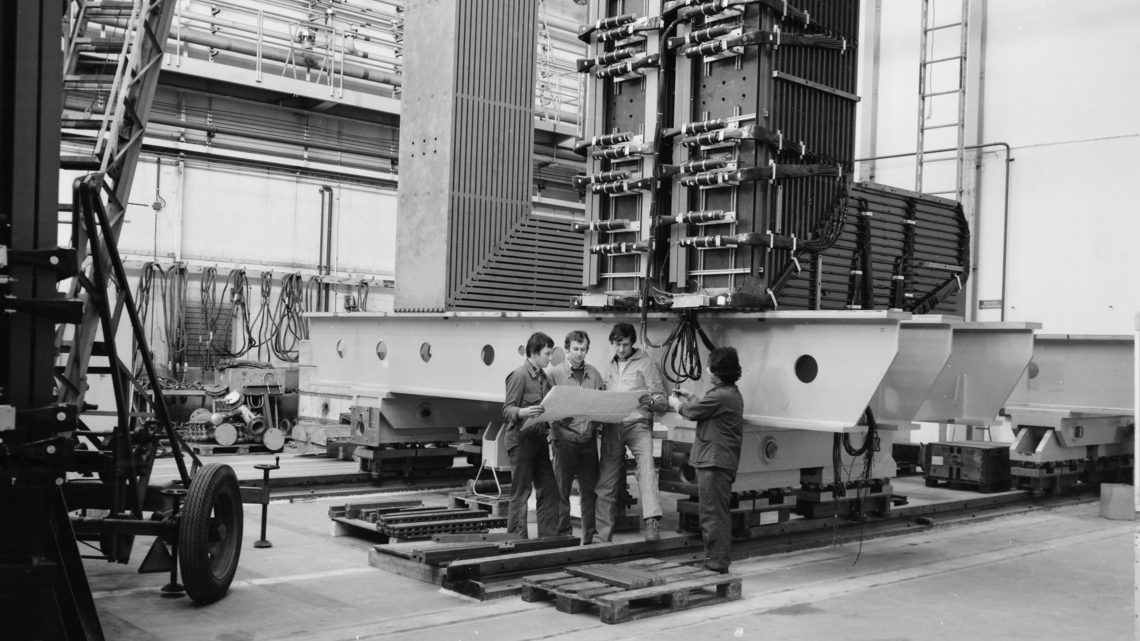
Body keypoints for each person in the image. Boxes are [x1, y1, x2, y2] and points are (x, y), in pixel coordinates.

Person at [668, 346, 744, 574]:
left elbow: (694, 412)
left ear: (718, 371)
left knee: (712, 517)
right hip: (717, 462)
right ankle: (716, 562)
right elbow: (706, 407)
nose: (707, 369)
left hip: (715, 464)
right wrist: (692, 397)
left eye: (710, 366)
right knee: (714, 514)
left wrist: (676, 404)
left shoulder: (721, 396)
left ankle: (716, 565)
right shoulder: (727, 394)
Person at [596, 322, 669, 542]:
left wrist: (652, 401)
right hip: (613, 425)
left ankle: (652, 523)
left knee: (646, 469)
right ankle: (603, 534)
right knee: (607, 478)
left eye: (625, 345)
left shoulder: (646, 364)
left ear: (633, 343)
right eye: (617, 344)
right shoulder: (609, 367)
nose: (621, 349)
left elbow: (662, 400)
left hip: (638, 425)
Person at [546, 330, 604, 544]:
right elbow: (547, 410)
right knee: (562, 490)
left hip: (588, 441)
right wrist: (561, 431)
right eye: (576, 349)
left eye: (583, 349)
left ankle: (589, 536)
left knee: (590, 491)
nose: (579, 353)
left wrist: (593, 427)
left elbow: (601, 404)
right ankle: (563, 536)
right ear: (567, 349)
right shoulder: (554, 375)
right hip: (564, 442)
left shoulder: (594, 374)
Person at [501, 332, 560, 538]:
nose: (550, 358)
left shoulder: (544, 377)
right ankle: (517, 539)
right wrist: (523, 412)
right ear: (534, 353)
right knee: (521, 492)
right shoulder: (519, 376)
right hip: (520, 441)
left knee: (549, 488)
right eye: (547, 353)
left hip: (539, 440)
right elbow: (507, 409)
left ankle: (548, 537)